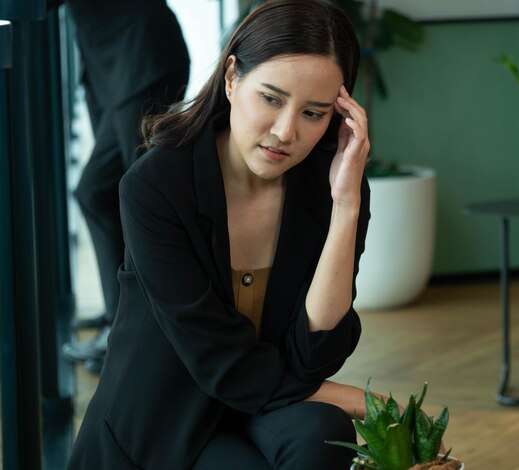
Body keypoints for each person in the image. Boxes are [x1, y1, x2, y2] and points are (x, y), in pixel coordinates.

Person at [68, 1, 375, 468]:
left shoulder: (334, 185)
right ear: (232, 77)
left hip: (264, 404)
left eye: (314, 113)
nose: (284, 131)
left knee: (323, 434)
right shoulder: (156, 187)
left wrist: (346, 207)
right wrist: (361, 400)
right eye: (271, 99)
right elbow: (221, 363)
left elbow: (315, 353)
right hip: (165, 418)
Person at [60, 0, 190, 372]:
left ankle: (137, 335)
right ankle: (121, 318)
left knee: (137, 197)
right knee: (97, 193)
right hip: (116, 63)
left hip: (140, 58)